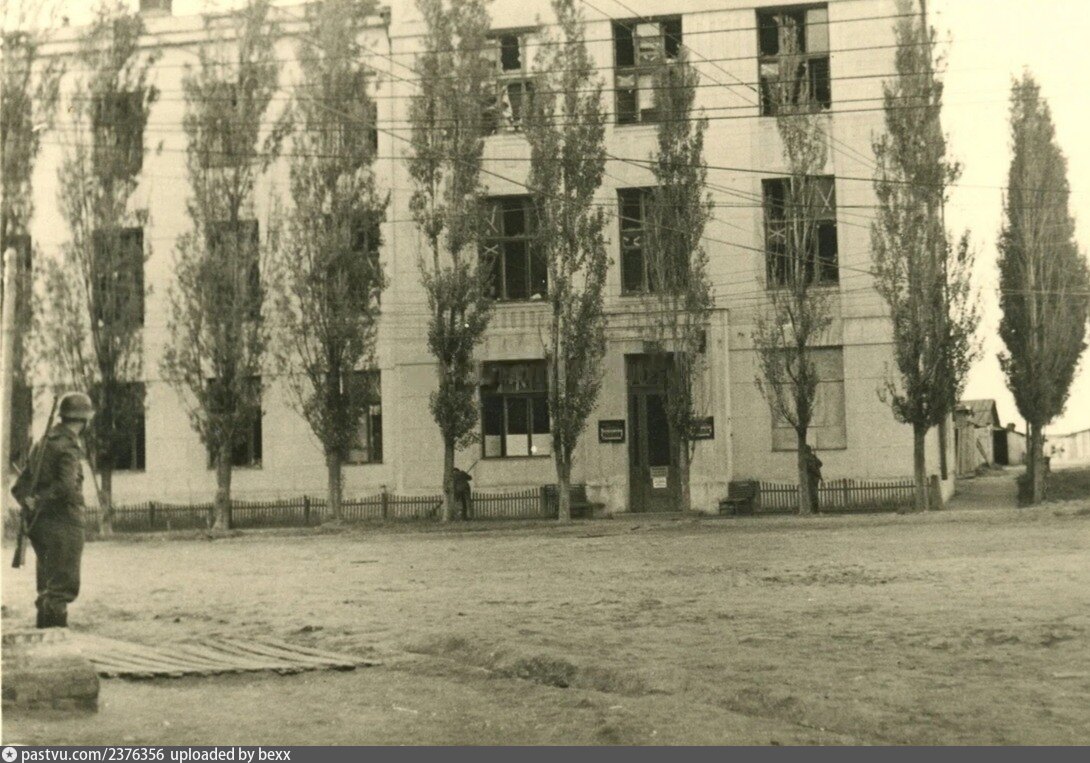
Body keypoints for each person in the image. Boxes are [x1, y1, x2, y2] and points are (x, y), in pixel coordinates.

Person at [11, 392, 93, 629]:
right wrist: (41, 500)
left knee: (47, 588)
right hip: (65, 523)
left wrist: (32, 502)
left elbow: (19, 487)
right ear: (83, 420)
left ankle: (44, 640)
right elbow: (67, 487)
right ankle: (56, 645)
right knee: (61, 590)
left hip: (41, 525)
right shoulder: (68, 445)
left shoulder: (43, 443)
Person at [804, 444, 823, 514]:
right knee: (813, 494)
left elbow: (820, 463)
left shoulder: (809, 457)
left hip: (812, 478)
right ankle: (814, 510)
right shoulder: (809, 457)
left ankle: (814, 510)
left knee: (813, 494)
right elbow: (815, 466)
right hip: (812, 477)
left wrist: (815, 456)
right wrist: (818, 474)